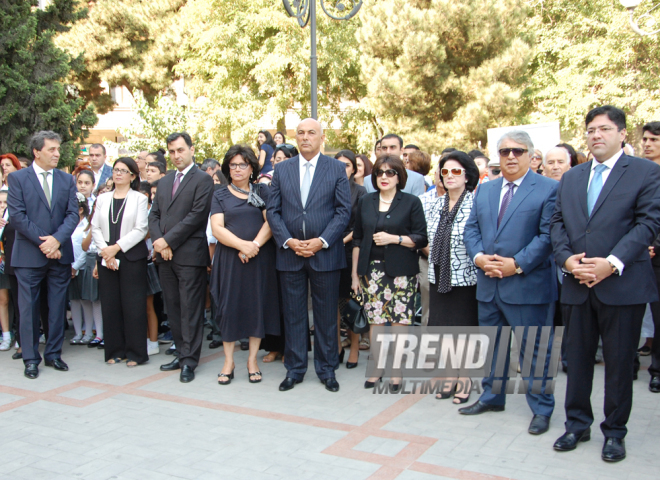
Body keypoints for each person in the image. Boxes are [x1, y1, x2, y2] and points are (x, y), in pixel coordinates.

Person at [551, 106, 660, 462]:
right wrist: (567, 260)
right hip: (577, 284)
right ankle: (576, 425)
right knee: (577, 361)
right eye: (591, 130)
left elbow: (647, 223)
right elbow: (557, 224)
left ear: (622, 133)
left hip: (621, 285)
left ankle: (614, 432)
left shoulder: (645, 172)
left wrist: (611, 264)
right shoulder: (572, 177)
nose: (596, 135)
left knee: (618, 364)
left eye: (604, 129)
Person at [462, 130, 558, 437]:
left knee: (534, 353)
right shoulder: (485, 190)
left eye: (518, 151)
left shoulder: (548, 189)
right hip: (489, 284)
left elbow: (547, 237)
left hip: (527, 286)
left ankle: (542, 409)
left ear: (531, 155)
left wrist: (515, 264)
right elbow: (471, 229)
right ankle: (493, 397)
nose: (511, 156)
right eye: (504, 152)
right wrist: (479, 257)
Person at [267, 118, 351, 393]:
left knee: (326, 316)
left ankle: (327, 370)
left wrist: (322, 241)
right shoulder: (282, 170)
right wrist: (289, 241)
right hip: (291, 255)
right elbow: (273, 211)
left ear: (321, 137)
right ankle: (295, 369)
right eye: (300, 133)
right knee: (293, 315)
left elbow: (343, 211)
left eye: (311, 133)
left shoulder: (336, 168)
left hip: (325, 254)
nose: (305, 138)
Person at [351, 155, 428, 390]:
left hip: (402, 271)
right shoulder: (366, 201)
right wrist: (355, 275)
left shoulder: (411, 202)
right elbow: (357, 239)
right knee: (375, 322)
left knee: (399, 322)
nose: (384, 177)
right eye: (380, 173)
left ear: (399, 176)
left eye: (390, 172)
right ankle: (376, 368)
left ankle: (396, 372)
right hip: (371, 272)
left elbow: (421, 238)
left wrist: (394, 239)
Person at [8, 131, 79, 379]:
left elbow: (73, 214)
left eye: (58, 149)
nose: (57, 154)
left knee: (58, 307)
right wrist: (46, 242)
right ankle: (30, 359)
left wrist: (57, 240)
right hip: (29, 255)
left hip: (59, 254)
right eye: (52, 149)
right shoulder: (18, 178)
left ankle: (53, 354)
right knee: (27, 309)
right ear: (37, 152)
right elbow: (17, 216)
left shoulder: (66, 179)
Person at [210, 145, 280, 385]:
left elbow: (271, 221)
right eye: (233, 164)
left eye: (242, 164)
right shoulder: (219, 194)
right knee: (228, 309)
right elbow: (217, 229)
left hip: (258, 260)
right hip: (230, 261)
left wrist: (254, 246)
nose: (237, 169)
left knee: (255, 308)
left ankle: (252, 360)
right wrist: (242, 245)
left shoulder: (262, 191)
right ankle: (228, 361)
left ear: (252, 167)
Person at [149, 132, 214, 383]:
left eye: (180, 150)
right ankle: (180, 351)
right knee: (172, 307)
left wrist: (167, 240)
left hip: (189, 255)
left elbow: (196, 217)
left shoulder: (202, 180)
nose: (176, 155)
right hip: (165, 256)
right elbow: (153, 215)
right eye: (172, 151)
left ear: (191, 149)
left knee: (190, 309)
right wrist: (159, 242)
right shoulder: (164, 182)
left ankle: (190, 360)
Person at [424, 151, 479, 403]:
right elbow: (423, 236)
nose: (449, 176)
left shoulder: (476, 203)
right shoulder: (434, 203)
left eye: (456, 171)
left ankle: (465, 379)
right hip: (438, 276)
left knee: (464, 332)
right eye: (444, 171)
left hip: (466, 279)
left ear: (467, 175)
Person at [92, 158, 149, 367]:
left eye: (123, 171)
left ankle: (136, 353)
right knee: (110, 305)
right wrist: (106, 253)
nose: (118, 174)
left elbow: (141, 229)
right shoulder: (103, 199)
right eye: (116, 170)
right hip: (106, 257)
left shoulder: (139, 199)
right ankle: (115, 351)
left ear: (132, 176)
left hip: (131, 257)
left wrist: (116, 248)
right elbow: (95, 227)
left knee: (133, 307)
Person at [334, 150, 367, 368]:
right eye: (338, 164)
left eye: (347, 165)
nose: (343, 168)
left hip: (350, 251)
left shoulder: (361, 192)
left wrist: (338, 241)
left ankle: (354, 348)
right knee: (333, 304)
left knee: (353, 303)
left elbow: (360, 228)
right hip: (327, 252)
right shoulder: (325, 190)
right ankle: (336, 346)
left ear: (354, 169)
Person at [418, 161, 447, 328]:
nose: (444, 177)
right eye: (441, 172)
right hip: (427, 260)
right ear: (435, 175)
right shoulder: (422, 201)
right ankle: (427, 352)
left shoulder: (468, 200)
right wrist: (433, 254)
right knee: (429, 308)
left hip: (457, 264)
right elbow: (417, 232)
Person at [69, 193, 96, 345]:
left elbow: (86, 250)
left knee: (86, 300)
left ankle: (88, 331)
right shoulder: (67, 224)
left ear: (80, 210)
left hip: (82, 266)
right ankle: (77, 332)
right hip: (69, 267)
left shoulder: (86, 226)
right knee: (74, 300)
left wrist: (75, 266)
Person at [0, 190, 11, 350]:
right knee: (2, 300)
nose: (2, 206)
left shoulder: (13, 220)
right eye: (0, 203)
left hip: (10, 264)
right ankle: (6, 335)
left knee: (10, 299)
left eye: (5, 203)